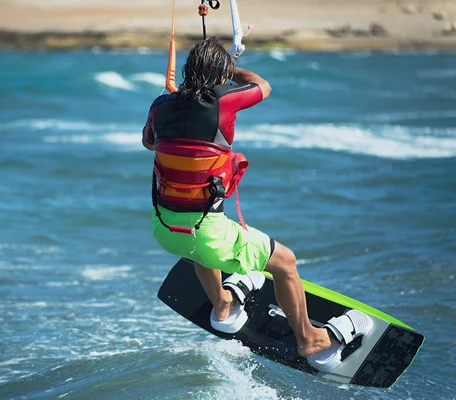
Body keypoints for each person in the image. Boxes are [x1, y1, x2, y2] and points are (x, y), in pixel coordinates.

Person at [142, 37, 370, 368]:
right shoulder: (223, 101)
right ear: (218, 74)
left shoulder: (160, 106)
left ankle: (222, 304)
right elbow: (262, 86)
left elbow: (150, 143)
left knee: (206, 232)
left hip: (165, 228)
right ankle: (310, 339)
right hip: (206, 233)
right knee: (285, 262)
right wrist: (231, 68)